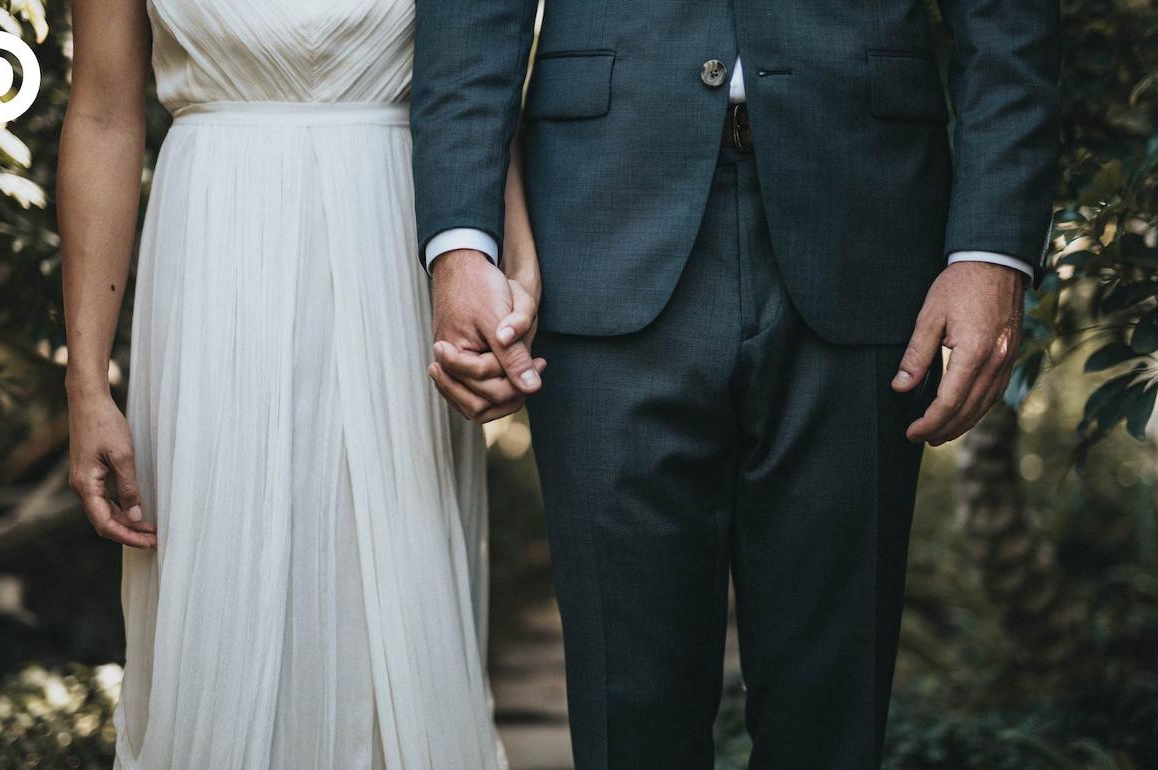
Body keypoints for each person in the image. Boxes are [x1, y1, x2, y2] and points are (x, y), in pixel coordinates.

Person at [412, 0, 1060, 767]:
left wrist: (991, 249)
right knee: (630, 713)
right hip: (599, 231)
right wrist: (459, 245)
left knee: (831, 713)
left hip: (867, 226)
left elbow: (1009, 24)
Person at [58, 0, 527, 766]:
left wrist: (509, 266)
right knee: (217, 600)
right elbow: (104, 115)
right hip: (213, 265)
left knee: (392, 606)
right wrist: (87, 381)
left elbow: (481, 84)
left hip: (395, 256)